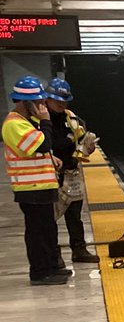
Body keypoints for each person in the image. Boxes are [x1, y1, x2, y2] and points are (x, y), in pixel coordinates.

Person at [2, 76, 71, 285]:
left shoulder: (25, 123)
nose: (43, 106)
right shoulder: (14, 124)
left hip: (41, 186)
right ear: (26, 102)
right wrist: (45, 121)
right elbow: (41, 144)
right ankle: (40, 272)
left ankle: (51, 267)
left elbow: (38, 149)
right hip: (30, 188)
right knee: (37, 233)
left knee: (48, 229)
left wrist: (52, 159)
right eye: (39, 102)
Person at [45, 77, 99, 264]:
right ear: (47, 98)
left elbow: (81, 137)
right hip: (49, 175)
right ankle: (54, 255)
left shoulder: (70, 117)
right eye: (57, 100)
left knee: (75, 214)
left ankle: (79, 249)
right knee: (50, 217)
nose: (61, 104)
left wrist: (88, 147)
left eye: (64, 100)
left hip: (71, 172)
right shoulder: (40, 120)